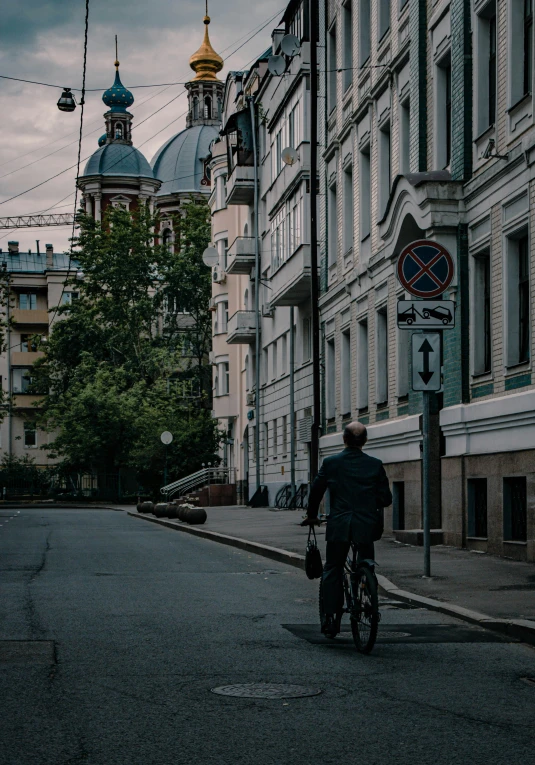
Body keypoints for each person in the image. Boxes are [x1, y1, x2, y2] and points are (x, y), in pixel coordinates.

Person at [301, 421, 392, 638]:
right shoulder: (375, 464)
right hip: (366, 525)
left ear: (344, 439)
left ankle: (331, 618)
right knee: (366, 562)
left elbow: (316, 491)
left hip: (340, 524)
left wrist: (312, 515)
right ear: (365, 441)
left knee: (333, 567)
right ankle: (366, 589)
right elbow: (386, 498)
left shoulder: (332, 463)